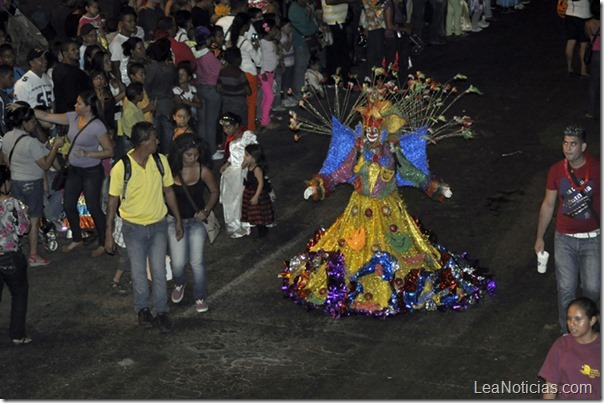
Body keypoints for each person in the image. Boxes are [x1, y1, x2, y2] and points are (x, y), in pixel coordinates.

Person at [281, 72, 492, 317]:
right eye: (368, 127)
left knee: (400, 254)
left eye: (375, 127)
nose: (371, 132)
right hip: (359, 209)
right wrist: (319, 185)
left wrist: (435, 186)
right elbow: (341, 172)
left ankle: (389, 289)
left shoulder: (392, 150)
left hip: (390, 210)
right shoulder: (358, 150)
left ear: (381, 129)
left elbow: (411, 173)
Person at [104, 121, 183, 332]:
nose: (158, 141)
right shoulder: (122, 167)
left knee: (158, 270)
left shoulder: (160, 161)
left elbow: (169, 192)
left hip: (157, 225)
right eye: (154, 138)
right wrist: (108, 232)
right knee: (138, 272)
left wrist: (178, 219)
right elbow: (112, 201)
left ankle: (161, 311)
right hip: (133, 228)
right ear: (143, 142)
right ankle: (142, 309)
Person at [31, 91, 114, 258]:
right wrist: (25, 109)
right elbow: (47, 115)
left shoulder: (98, 126)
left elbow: (109, 151)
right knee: (68, 204)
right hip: (75, 170)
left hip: (92, 171)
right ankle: (77, 238)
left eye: (79, 103)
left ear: (88, 107)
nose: (75, 105)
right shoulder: (73, 117)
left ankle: (103, 241)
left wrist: (89, 154)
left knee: (93, 207)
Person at [534, 125, 600, 334]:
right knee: (565, 290)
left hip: (593, 239)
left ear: (584, 146)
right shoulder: (556, 170)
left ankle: (590, 332)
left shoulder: (597, 169)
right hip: (564, 239)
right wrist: (540, 237)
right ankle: (567, 334)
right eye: (565, 143)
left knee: (593, 289)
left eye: (573, 144)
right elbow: (548, 204)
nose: (568, 148)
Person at [1, 104, 65, 266]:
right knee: (34, 219)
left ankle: (17, 248)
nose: (35, 124)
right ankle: (33, 255)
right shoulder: (30, 142)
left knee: (17, 217)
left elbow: (6, 160)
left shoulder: (8, 136)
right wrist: (55, 147)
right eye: (33, 122)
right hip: (31, 184)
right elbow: (45, 165)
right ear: (25, 123)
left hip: (15, 183)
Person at [167, 133, 219, 312]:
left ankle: (200, 296)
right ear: (180, 153)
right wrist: (177, 222)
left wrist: (206, 211)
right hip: (173, 220)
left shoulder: (202, 170)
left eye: (196, 155)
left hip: (197, 222)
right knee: (178, 262)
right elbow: (166, 195)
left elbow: (214, 192)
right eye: (189, 155)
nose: (193, 159)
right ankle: (179, 283)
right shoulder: (170, 170)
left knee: (197, 261)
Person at [538, 297, 601, 399]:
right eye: (569, 319)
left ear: (592, 320)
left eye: (578, 319)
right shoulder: (561, 345)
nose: (572, 324)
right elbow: (550, 385)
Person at [0, 187, 32, 345]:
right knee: (19, 294)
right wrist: (25, 213)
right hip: (9, 256)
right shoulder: (11, 203)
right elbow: (23, 230)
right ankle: (17, 335)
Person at [218, 112, 257, 238]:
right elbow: (233, 155)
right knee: (232, 200)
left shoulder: (246, 136)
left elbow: (253, 152)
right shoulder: (231, 139)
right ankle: (235, 224)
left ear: (237, 126)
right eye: (224, 127)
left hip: (243, 171)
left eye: (228, 127)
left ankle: (246, 223)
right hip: (232, 173)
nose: (225, 130)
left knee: (242, 198)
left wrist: (248, 164)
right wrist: (226, 164)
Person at [194, 26, 222, 160]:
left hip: (200, 88)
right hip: (212, 90)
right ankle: (211, 151)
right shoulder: (208, 56)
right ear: (207, 40)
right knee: (211, 122)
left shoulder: (195, 54)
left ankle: (202, 150)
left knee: (202, 122)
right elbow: (220, 71)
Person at [230, 12, 262, 131]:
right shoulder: (246, 43)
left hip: (238, 73)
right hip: (249, 73)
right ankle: (251, 129)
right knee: (252, 103)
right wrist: (257, 47)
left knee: (242, 103)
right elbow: (259, 61)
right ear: (246, 26)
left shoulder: (233, 39)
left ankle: (242, 128)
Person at [241, 143, 274, 238]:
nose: (244, 156)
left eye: (247, 155)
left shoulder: (257, 169)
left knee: (258, 213)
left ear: (254, 158)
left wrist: (256, 196)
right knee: (253, 213)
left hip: (257, 193)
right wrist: (245, 161)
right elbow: (242, 167)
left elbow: (261, 183)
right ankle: (260, 228)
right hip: (250, 191)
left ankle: (262, 231)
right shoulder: (250, 165)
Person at [288, 0, 318, 100]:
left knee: (303, 67)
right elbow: (306, 28)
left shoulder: (302, 7)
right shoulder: (295, 10)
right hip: (300, 42)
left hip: (304, 41)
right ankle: (298, 93)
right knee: (300, 69)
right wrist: (309, 16)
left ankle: (301, 90)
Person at [217, 47, 251, 132]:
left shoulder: (222, 72)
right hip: (239, 104)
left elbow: (218, 88)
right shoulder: (240, 73)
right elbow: (248, 91)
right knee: (241, 126)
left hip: (226, 103)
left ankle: (227, 144)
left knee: (227, 127)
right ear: (238, 59)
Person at [257, 18, 280, 131]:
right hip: (264, 74)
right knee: (270, 97)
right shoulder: (262, 43)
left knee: (266, 97)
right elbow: (259, 59)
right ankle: (265, 121)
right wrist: (262, 72)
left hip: (270, 73)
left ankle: (263, 118)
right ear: (268, 31)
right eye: (275, 29)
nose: (276, 32)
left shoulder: (271, 42)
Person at [564, 0, 592, 78]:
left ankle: (569, 69)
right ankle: (583, 70)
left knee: (571, 41)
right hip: (584, 13)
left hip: (569, 12)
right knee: (583, 44)